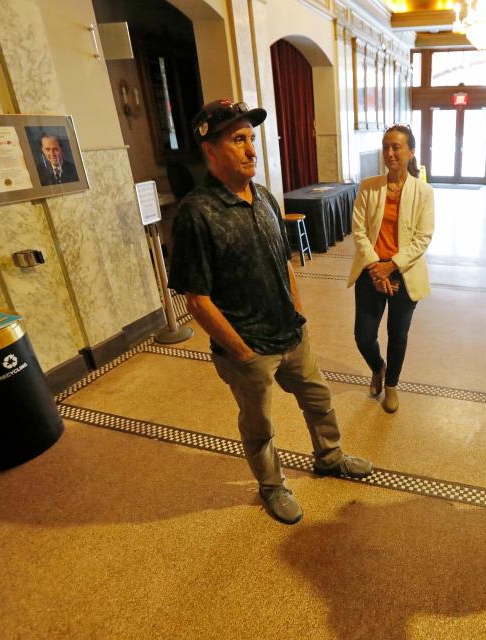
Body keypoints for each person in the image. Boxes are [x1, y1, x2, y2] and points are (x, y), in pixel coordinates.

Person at [168, 99, 373, 525]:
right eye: (238, 140)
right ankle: (272, 485)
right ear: (210, 150)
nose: (250, 150)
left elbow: (283, 259)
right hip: (247, 348)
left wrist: (297, 313)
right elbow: (196, 298)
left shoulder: (261, 195)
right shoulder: (197, 212)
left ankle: (329, 456)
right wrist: (240, 350)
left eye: (251, 139)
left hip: (291, 333)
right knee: (259, 426)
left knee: (319, 400)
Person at [347, 125, 434, 413]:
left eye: (396, 147)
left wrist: (392, 266)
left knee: (398, 334)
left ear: (411, 152)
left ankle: (392, 385)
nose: (390, 153)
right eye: (386, 146)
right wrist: (376, 266)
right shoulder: (369, 186)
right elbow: (358, 231)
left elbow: (423, 237)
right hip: (371, 270)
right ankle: (378, 367)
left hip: (404, 274)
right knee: (363, 335)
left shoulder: (423, 191)